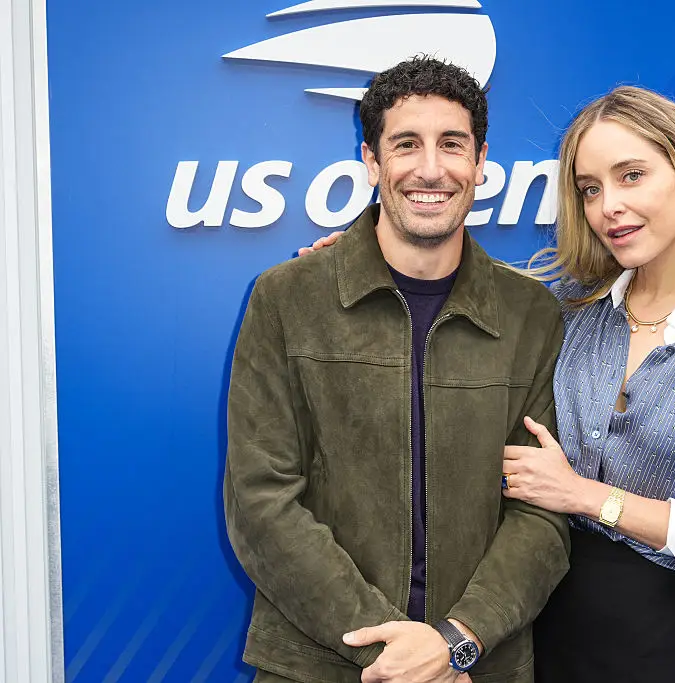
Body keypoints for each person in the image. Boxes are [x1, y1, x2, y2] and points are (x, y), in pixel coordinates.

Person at [303, 85, 675, 682]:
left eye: (631, 175)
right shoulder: (563, 316)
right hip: (515, 637)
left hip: (646, 647)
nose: (608, 206)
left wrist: (589, 497)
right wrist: (361, 259)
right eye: (590, 189)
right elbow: (441, 282)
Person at [224, 56, 570, 683]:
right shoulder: (285, 299)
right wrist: (394, 657)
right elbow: (260, 502)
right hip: (318, 665)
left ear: (481, 161)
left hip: (477, 668)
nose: (431, 168)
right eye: (406, 144)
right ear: (371, 161)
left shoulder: (533, 316)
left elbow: (542, 511)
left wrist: (455, 644)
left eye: (452, 145)